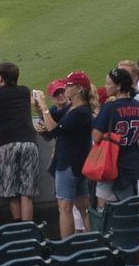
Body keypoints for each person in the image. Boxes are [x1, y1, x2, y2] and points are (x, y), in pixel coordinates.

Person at [35, 77, 96, 236]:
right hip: (77, 164)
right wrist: (42, 116)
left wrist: (43, 106)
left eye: (68, 85)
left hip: (68, 164)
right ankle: (94, 241)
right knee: (83, 208)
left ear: (78, 89)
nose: (65, 88)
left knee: (65, 207)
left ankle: (67, 248)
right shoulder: (74, 109)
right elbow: (50, 129)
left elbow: (54, 129)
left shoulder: (80, 111)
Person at [0, 63, 40, 225]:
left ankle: (17, 227)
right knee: (26, 192)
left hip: (7, 144)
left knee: (11, 190)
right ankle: (28, 228)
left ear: (0, 78)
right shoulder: (24, 91)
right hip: (29, 142)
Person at [94, 66, 139, 205]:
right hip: (132, 164)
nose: (106, 86)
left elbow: (96, 136)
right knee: (130, 207)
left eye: (109, 83)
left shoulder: (110, 107)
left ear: (119, 86)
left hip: (110, 161)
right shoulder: (138, 105)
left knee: (104, 208)